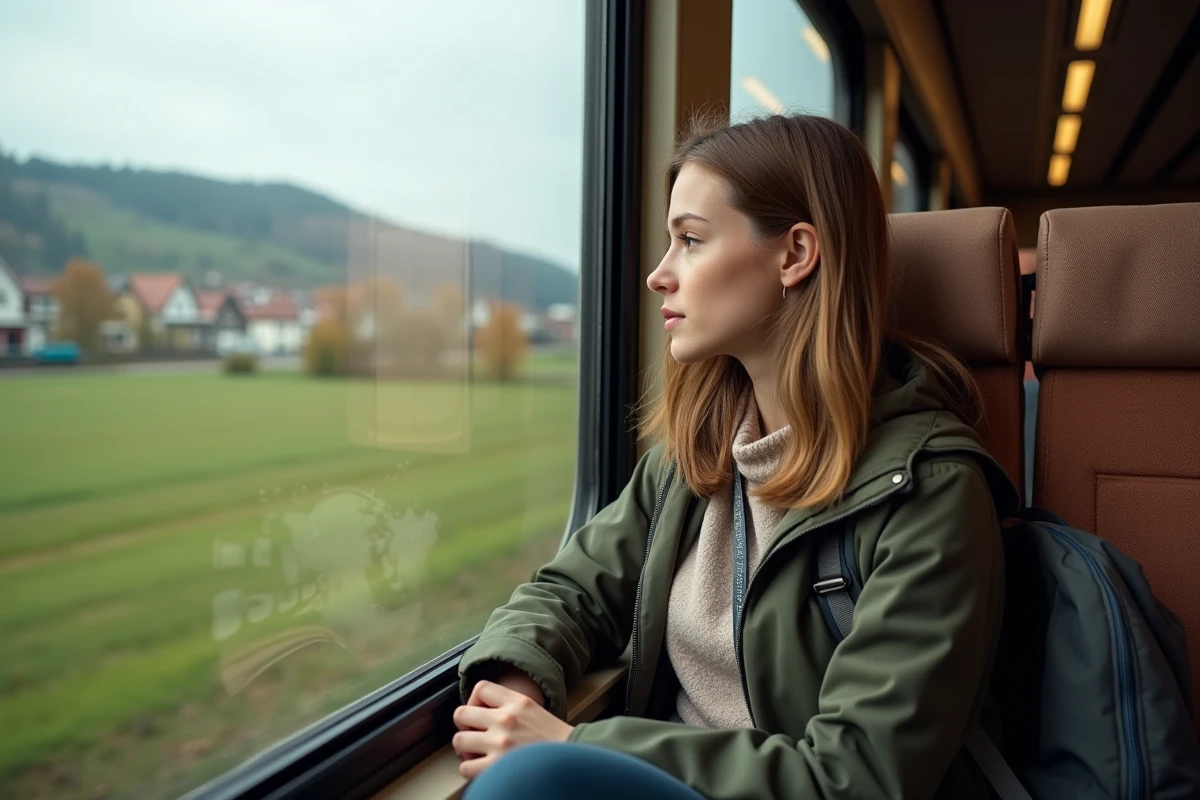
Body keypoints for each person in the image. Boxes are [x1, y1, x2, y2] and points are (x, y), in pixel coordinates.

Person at [451, 113, 1020, 800]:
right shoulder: (696, 457)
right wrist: (512, 690)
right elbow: (570, 591)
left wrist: (576, 743)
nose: (661, 275)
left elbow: (859, 778)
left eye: (691, 240)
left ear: (795, 255)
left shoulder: (929, 494)